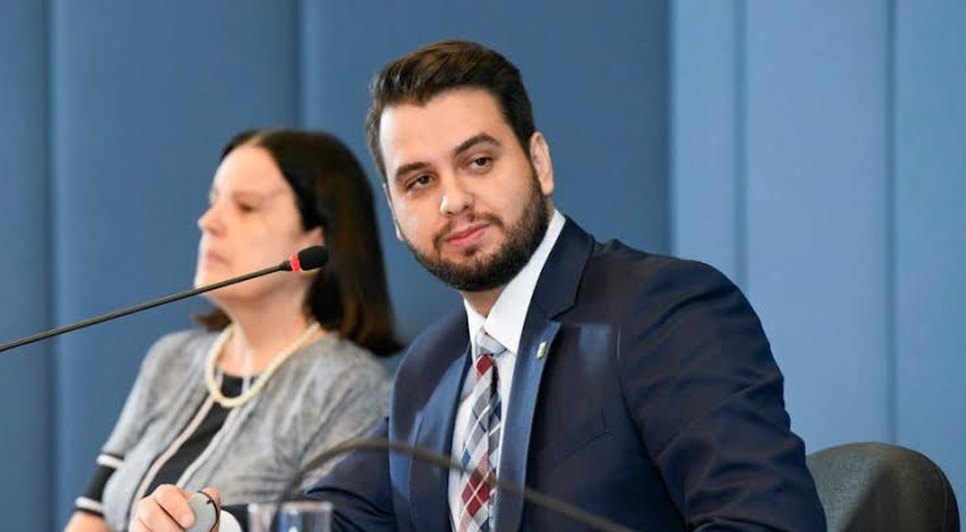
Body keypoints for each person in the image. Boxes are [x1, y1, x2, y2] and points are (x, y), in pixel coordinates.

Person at [135, 40, 826, 531]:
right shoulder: (431, 368)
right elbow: (340, 518)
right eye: (419, 181)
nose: (453, 200)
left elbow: (765, 522)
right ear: (395, 217)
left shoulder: (665, 311)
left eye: (478, 161)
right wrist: (210, 524)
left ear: (539, 162)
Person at [65, 128, 401, 531]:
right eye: (214, 201)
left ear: (315, 243)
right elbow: (92, 516)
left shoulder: (350, 386)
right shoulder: (171, 358)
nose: (208, 221)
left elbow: (320, 523)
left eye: (245, 207)